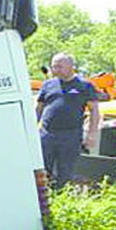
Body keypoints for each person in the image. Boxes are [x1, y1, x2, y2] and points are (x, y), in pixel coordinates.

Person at [36, 53, 101, 187]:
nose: (56, 70)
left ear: (71, 66)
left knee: (65, 171)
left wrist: (92, 134)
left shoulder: (85, 86)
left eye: (59, 66)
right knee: (43, 170)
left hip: (70, 135)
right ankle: (44, 200)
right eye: (54, 67)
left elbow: (94, 111)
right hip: (47, 134)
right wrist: (31, 129)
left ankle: (60, 198)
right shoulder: (48, 85)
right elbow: (39, 108)